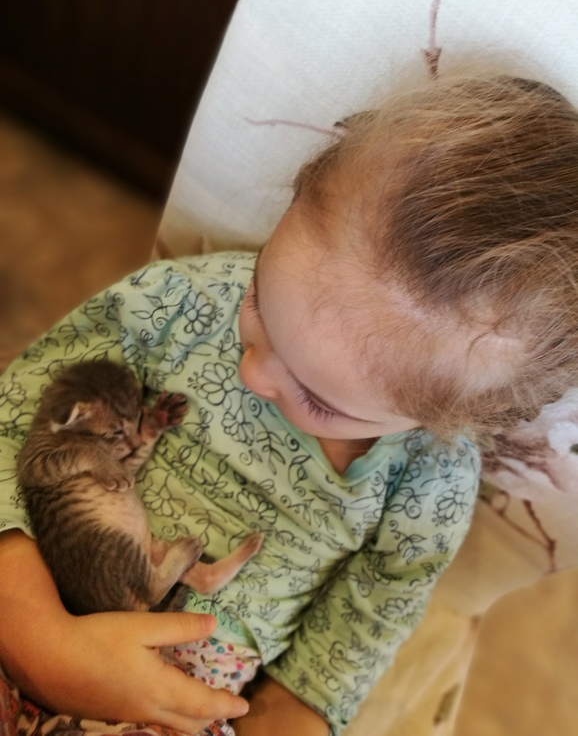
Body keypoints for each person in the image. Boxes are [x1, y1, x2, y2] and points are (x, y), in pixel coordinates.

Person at [1, 75, 578, 736]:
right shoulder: (182, 303)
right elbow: (19, 409)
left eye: (316, 398)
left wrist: (290, 714)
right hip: (35, 580)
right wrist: (34, 632)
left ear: (443, 422)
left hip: (184, 692)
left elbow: (371, 611)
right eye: (259, 305)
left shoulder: (431, 476)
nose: (252, 371)